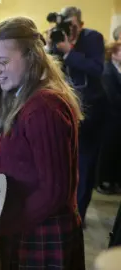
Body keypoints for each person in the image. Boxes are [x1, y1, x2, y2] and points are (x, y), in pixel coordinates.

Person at [0, 17, 85, 269]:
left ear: (31, 57)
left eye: (3, 62)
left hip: (37, 227)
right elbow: (23, 155)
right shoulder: (24, 96)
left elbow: (54, 191)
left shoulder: (43, 106)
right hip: (25, 222)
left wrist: (7, 226)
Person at [49, 6, 106, 226]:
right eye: (64, 25)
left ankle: (78, 216)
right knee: (62, 162)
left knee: (84, 164)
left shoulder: (93, 38)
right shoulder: (57, 37)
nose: (68, 30)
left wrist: (69, 52)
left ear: (81, 25)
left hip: (91, 112)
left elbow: (96, 68)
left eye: (72, 26)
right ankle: (63, 208)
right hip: (65, 110)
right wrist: (50, 47)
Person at [96, 41, 121, 195]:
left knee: (115, 151)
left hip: (117, 118)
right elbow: (112, 95)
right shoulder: (107, 70)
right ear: (113, 53)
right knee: (107, 151)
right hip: (110, 117)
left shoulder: (117, 69)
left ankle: (112, 179)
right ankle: (102, 181)